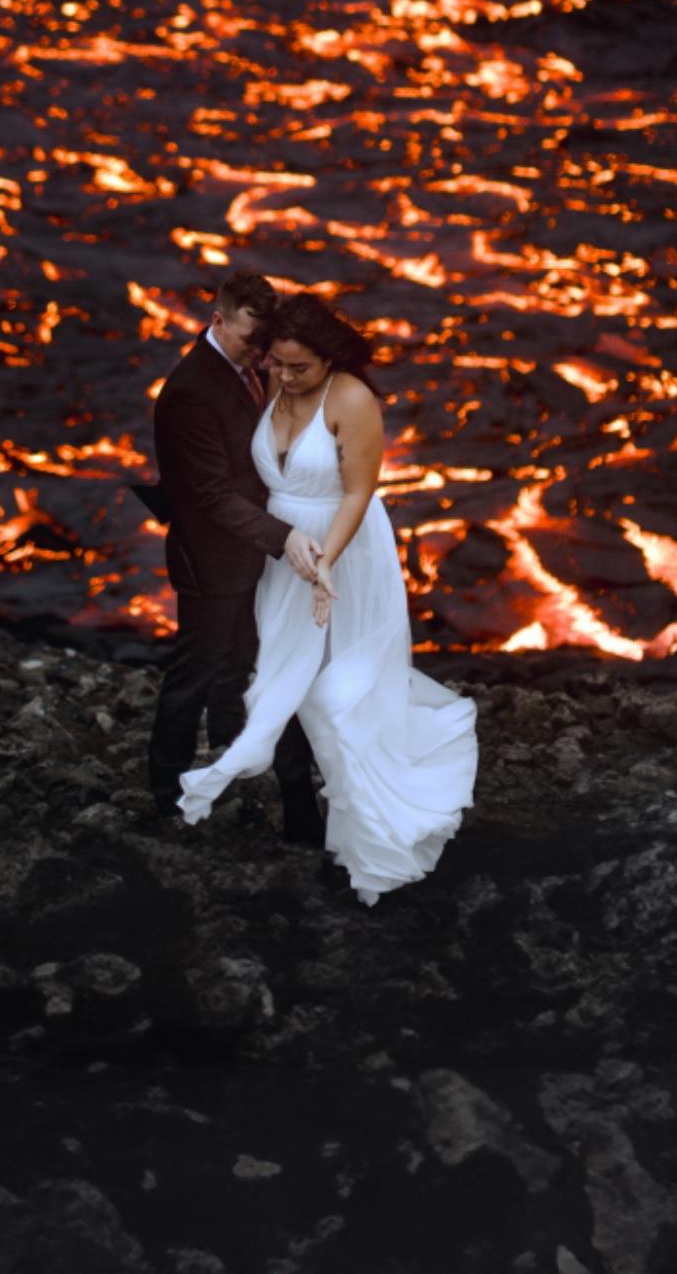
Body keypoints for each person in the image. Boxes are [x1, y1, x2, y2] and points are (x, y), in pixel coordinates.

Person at [177, 291, 477, 903]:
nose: (284, 378)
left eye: (299, 368)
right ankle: (304, 814)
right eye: (276, 365)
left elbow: (358, 493)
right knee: (284, 679)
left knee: (338, 689)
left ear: (328, 358)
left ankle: (371, 822)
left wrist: (324, 565)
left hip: (343, 550)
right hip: (281, 553)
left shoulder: (353, 399)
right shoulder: (269, 389)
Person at [144, 273, 325, 842]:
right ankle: (167, 796)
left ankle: (231, 757)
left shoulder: (251, 371)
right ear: (218, 318)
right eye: (252, 332)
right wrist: (284, 536)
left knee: (240, 661)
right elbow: (212, 494)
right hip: (214, 557)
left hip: (251, 552)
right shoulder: (190, 391)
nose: (260, 346)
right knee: (193, 673)